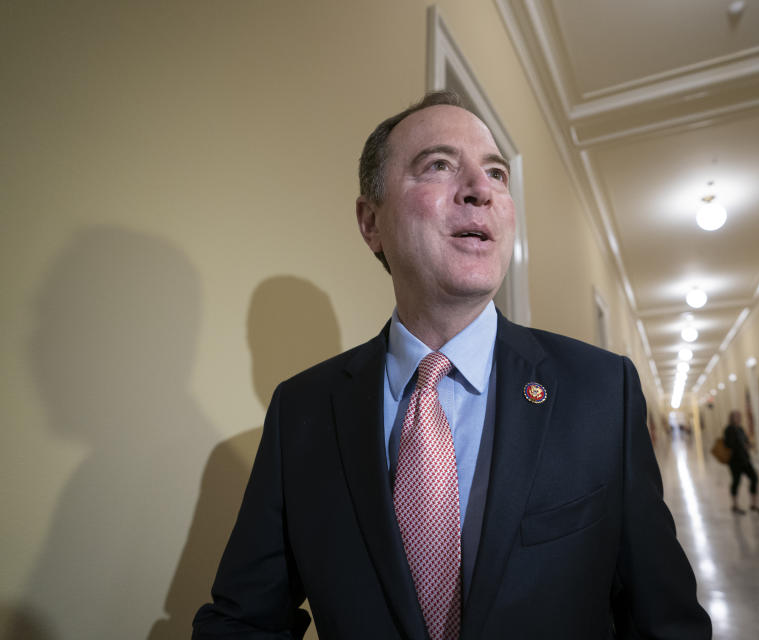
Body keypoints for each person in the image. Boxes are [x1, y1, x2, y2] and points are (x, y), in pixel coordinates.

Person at [193, 91, 711, 639]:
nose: (480, 189)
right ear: (371, 222)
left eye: (495, 172)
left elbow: (665, 623)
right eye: (438, 165)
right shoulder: (302, 410)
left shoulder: (602, 391)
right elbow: (244, 620)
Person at [723, 410, 759, 515]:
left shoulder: (740, 429)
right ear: (732, 418)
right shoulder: (729, 429)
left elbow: (745, 440)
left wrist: (749, 445)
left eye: (739, 416)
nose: (739, 418)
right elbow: (728, 444)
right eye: (736, 416)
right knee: (736, 481)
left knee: (754, 478)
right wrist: (741, 446)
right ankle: (735, 505)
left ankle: (753, 503)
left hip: (745, 459)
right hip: (735, 461)